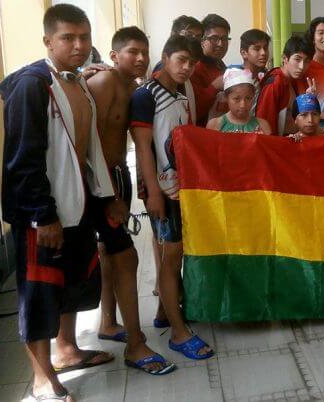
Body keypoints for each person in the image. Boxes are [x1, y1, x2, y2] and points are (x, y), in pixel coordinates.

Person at [0, 4, 124, 400]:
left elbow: (86, 151)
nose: (78, 44)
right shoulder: (32, 85)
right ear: (47, 41)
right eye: (68, 38)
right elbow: (23, 158)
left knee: (73, 281)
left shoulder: (79, 81)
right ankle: (41, 377)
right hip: (43, 214)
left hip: (79, 204)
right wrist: (42, 214)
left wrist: (107, 198)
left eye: (84, 37)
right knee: (39, 292)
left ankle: (67, 350)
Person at [86, 26, 176, 375]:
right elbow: (85, 142)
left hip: (116, 178)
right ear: (114, 55)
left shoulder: (134, 87)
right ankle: (136, 345)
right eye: (132, 52)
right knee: (126, 257)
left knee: (110, 254)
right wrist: (108, 195)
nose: (140, 58)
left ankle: (108, 322)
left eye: (144, 52)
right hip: (100, 182)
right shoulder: (106, 82)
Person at [130, 35, 214, 360]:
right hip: (160, 192)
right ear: (164, 57)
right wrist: (152, 193)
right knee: (172, 254)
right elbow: (143, 149)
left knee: (176, 251)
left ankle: (166, 314)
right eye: (181, 60)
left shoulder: (180, 95)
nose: (186, 67)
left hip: (180, 188)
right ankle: (179, 334)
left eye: (191, 63)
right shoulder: (145, 96)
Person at [256, 36, 315, 135]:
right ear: (285, 58)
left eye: (307, 61)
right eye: (297, 59)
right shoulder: (275, 82)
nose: (302, 66)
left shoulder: (294, 80)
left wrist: (309, 99)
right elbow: (264, 124)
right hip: (277, 145)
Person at [191, 13, 231, 126]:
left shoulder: (220, 65)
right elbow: (193, 112)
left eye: (224, 39)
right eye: (214, 38)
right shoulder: (194, 68)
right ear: (202, 41)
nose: (220, 44)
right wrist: (214, 87)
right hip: (204, 136)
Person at [207, 68, 271, 134]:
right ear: (226, 97)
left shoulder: (263, 126)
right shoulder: (215, 126)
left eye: (248, 98)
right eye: (236, 99)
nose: (243, 105)